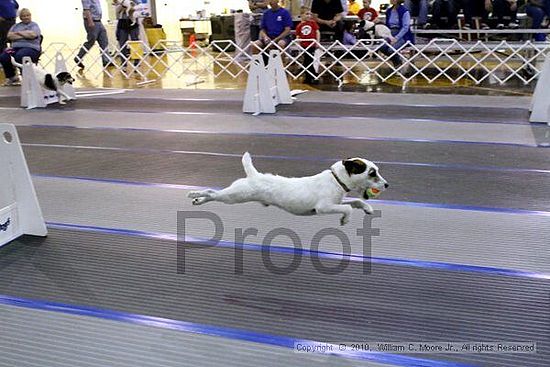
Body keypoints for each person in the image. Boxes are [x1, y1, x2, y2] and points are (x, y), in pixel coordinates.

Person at [0, 7, 40, 86]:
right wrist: (25, 34)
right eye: (24, 16)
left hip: (31, 48)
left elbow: (33, 35)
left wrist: (18, 33)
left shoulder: (34, 25)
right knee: (4, 56)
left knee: (20, 56)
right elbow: (10, 36)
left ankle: (26, 77)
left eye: (27, 15)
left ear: (30, 16)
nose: (26, 17)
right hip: (15, 48)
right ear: (20, 17)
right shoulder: (15, 26)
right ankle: (12, 77)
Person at [74, 0, 112, 69]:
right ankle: (79, 57)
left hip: (99, 21)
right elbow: (86, 9)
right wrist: (90, 21)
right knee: (91, 41)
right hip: (92, 21)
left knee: (104, 40)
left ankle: (106, 60)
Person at [295, 6, 320, 84]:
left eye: (310, 14)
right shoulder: (299, 26)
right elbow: (298, 36)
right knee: (306, 62)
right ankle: (312, 76)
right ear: (301, 15)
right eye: (306, 14)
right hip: (304, 45)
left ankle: (311, 77)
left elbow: (317, 32)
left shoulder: (312, 23)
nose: (309, 16)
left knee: (309, 61)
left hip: (311, 45)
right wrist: (299, 45)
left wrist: (317, 42)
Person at [113, 0, 139, 67]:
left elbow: (137, 6)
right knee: (122, 43)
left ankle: (137, 62)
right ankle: (123, 63)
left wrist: (132, 7)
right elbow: (117, 13)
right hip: (122, 23)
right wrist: (121, 6)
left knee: (135, 42)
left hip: (133, 22)